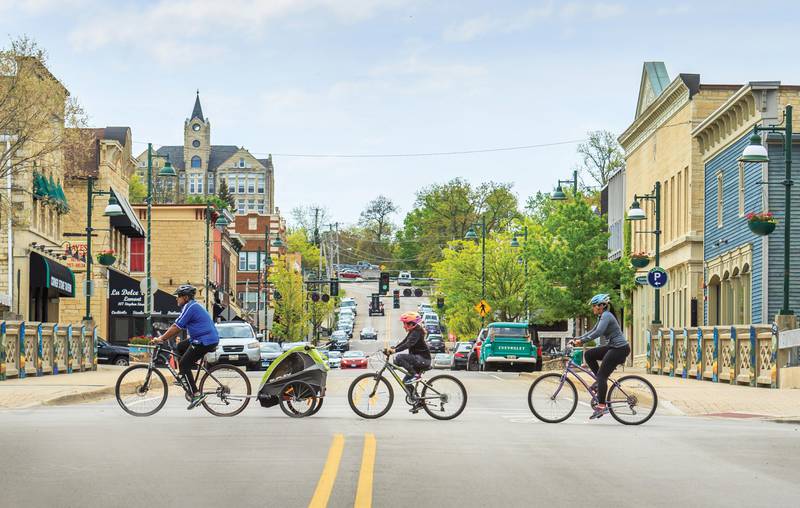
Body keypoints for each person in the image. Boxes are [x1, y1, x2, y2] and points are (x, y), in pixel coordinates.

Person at [151, 284, 220, 410]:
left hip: (205, 340)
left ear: (186, 298)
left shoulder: (191, 307)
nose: (177, 298)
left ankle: (196, 394)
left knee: (183, 363)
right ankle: (185, 375)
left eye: (179, 296)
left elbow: (176, 327)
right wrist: (166, 337)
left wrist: (161, 338)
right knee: (179, 347)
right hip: (201, 338)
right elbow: (178, 327)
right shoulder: (190, 306)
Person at [572, 293, 630, 420]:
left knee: (602, 376)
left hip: (619, 349)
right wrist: (578, 339)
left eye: (594, 306)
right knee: (589, 354)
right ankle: (599, 383)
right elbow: (593, 331)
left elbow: (598, 333)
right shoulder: (602, 316)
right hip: (613, 347)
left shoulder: (606, 316)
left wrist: (581, 341)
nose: (593, 308)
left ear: (602, 306)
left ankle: (602, 406)